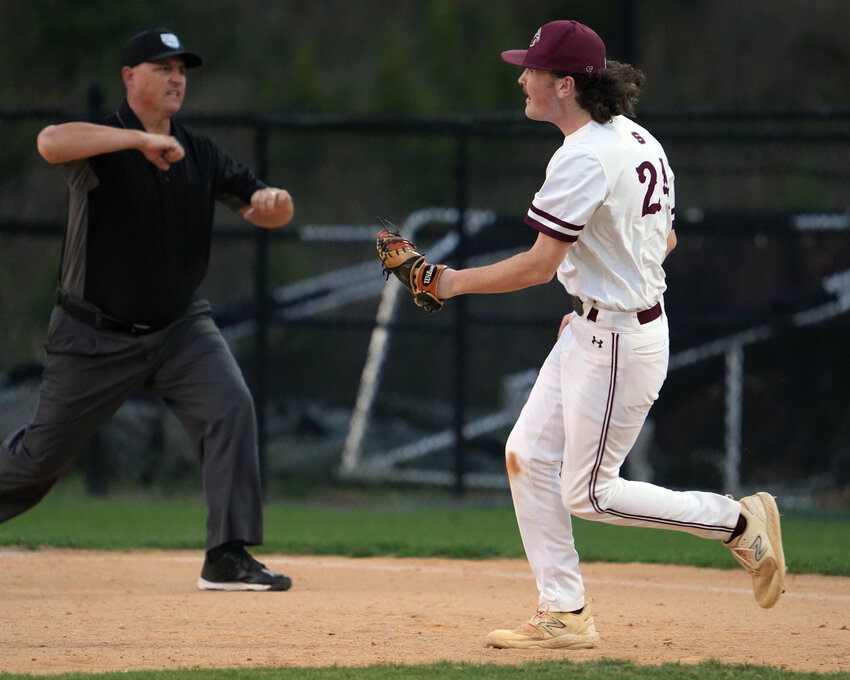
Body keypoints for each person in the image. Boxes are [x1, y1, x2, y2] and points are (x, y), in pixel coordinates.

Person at [430, 20, 786, 648]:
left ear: (564, 85)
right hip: (600, 327)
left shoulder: (583, 155)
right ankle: (564, 611)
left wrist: (451, 283)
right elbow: (664, 239)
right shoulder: (636, 138)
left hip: (619, 339)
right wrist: (600, 290)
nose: (522, 77)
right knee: (527, 457)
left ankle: (735, 521)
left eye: (533, 69)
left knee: (591, 492)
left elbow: (539, 265)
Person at [0, 28, 295, 592]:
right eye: (162, 67)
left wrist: (273, 203)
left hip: (180, 328)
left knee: (230, 406)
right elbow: (49, 141)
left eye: (181, 68)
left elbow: (265, 211)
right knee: (41, 458)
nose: (176, 78)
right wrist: (136, 142)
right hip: (94, 333)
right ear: (130, 77)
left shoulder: (199, 151)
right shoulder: (104, 145)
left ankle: (227, 557)